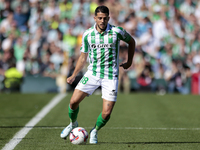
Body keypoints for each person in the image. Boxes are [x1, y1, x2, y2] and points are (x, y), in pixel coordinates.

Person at [60, 5, 135, 144]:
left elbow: (132, 42)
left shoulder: (116, 31)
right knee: (73, 101)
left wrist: (129, 61)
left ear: (108, 18)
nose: (102, 21)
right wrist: (74, 75)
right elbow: (83, 57)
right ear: (94, 18)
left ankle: (94, 131)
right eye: (99, 18)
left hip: (110, 76)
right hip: (93, 73)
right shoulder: (88, 34)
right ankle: (73, 123)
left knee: (107, 113)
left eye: (105, 18)